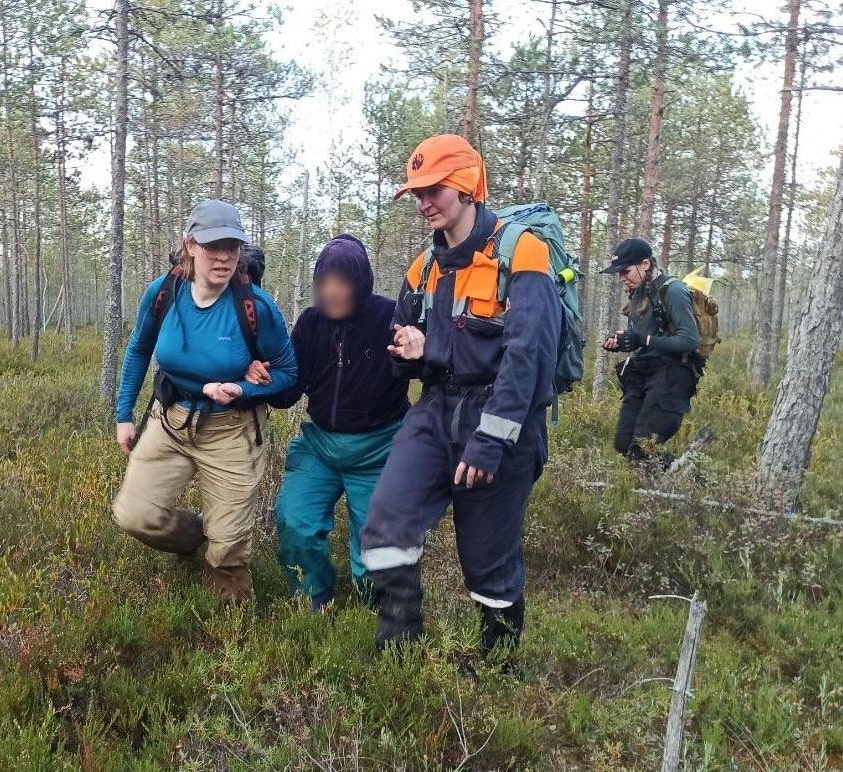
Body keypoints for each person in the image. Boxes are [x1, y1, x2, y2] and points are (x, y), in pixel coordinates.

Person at [358, 134, 561, 653]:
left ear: (467, 185)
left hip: (501, 418)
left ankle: (499, 664)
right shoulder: (422, 267)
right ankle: (399, 647)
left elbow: (528, 356)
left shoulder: (524, 253)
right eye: (417, 193)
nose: (424, 203)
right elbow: (403, 348)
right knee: (386, 522)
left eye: (434, 191)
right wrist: (405, 350)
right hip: (436, 410)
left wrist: (491, 439)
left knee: (487, 562)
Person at [111, 199, 296, 604]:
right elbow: (139, 348)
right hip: (170, 421)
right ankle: (193, 536)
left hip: (232, 431)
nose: (225, 256)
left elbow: (287, 373)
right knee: (136, 515)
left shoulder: (256, 308)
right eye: (214, 246)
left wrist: (243, 389)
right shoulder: (163, 293)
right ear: (190, 245)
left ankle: (227, 635)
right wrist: (124, 414)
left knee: (228, 549)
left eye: (234, 247)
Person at [247, 234, 411, 611]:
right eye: (325, 282)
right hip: (319, 446)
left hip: (380, 451)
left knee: (376, 550)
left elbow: (421, 369)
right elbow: (291, 389)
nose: (333, 292)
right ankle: (313, 600)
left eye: (343, 282)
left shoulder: (389, 318)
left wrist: (415, 355)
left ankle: (374, 607)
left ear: (361, 283)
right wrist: (264, 380)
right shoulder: (310, 324)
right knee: (294, 520)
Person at [600, 238, 700, 465]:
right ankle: (674, 474)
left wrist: (642, 340)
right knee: (624, 444)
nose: (622, 278)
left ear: (646, 264)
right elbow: (641, 335)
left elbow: (689, 340)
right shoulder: (637, 292)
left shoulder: (673, 291)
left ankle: (682, 476)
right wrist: (622, 340)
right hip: (641, 376)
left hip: (671, 377)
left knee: (641, 446)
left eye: (625, 271)